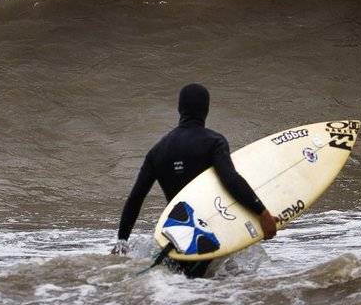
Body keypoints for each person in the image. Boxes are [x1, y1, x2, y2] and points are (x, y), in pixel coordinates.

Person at [113, 84, 278, 275]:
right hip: (211, 234)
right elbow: (231, 180)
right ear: (206, 109)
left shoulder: (157, 151)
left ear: (179, 109)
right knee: (217, 288)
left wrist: (122, 240)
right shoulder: (214, 141)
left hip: (179, 237)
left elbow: (136, 198)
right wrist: (262, 213)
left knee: (175, 287)